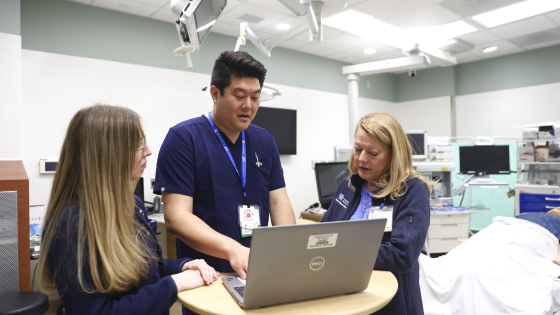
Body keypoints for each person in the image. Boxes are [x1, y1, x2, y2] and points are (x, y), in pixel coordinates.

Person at [35, 105, 219, 315]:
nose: (148, 151)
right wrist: (173, 285)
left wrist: (181, 267)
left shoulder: (132, 204)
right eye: (140, 145)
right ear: (109, 154)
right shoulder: (71, 224)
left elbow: (145, 273)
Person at [154, 51, 295, 282]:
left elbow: (278, 200)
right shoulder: (183, 139)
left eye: (255, 97)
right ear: (215, 93)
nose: (248, 106)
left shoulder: (264, 140)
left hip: (259, 271)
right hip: (208, 275)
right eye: (239, 95)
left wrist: (288, 246)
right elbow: (176, 216)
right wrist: (233, 249)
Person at [322, 112, 432, 315]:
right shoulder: (348, 187)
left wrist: (341, 254)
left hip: (388, 303)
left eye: (372, 153)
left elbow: (402, 255)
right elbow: (325, 233)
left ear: (394, 154)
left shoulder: (413, 191)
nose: (361, 158)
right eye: (357, 149)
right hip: (343, 299)